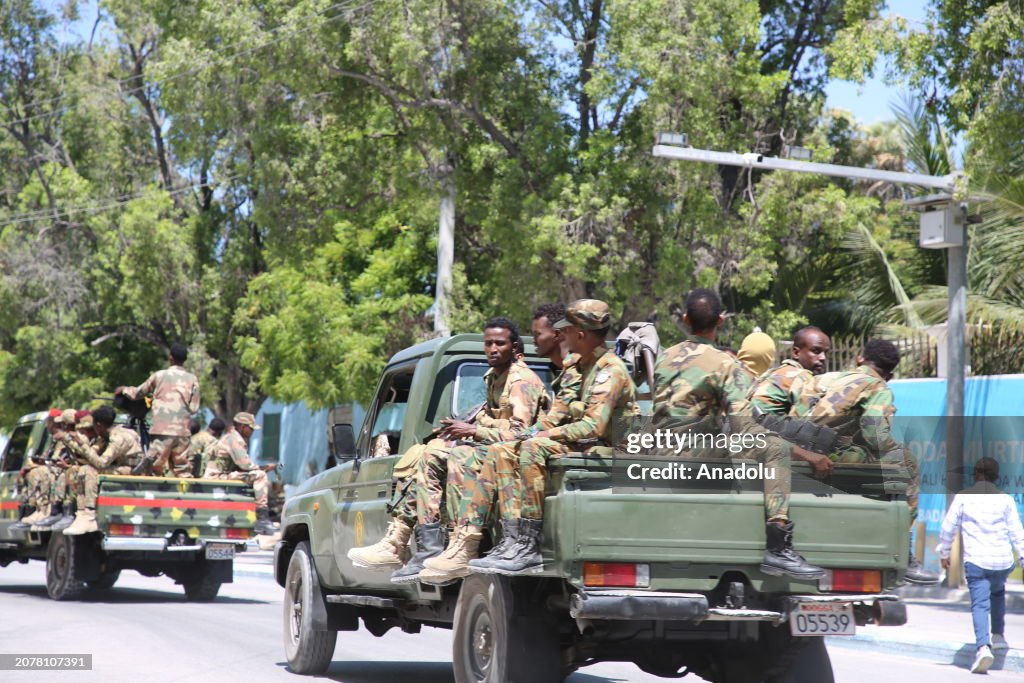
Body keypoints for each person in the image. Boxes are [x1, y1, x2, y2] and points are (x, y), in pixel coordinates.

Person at [420, 299, 635, 583]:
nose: (562, 336)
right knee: (502, 451)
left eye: (566, 331)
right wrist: (528, 434)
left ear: (580, 335)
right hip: (584, 445)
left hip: (612, 450)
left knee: (533, 449)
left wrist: (539, 437)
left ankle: (528, 542)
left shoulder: (609, 370)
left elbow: (591, 427)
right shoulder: (579, 367)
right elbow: (556, 416)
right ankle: (506, 540)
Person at [348, 317, 549, 583]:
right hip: (496, 448)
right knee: (427, 452)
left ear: (514, 348)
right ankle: (405, 543)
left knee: (460, 455)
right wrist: (466, 428)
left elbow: (521, 432)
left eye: (499, 343)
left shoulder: (521, 381)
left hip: (513, 455)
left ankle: (462, 545)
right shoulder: (494, 377)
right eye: (488, 343)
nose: (492, 348)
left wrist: (475, 430)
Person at [649, 289, 832, 580]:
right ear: (721, 320)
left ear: (685, 319)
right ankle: (779, 547)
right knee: (775, 449)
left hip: (656, 452)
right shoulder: (724, 364)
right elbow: (745, 427)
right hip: (692, 456)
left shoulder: (665, 357)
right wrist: (806, 454)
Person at [805, 339, 939, 585]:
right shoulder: (878, 387)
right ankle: (904, 551)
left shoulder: (831, 378)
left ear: (860, 360)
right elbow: (874, 435)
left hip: (798, 449)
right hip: (829, 453)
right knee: (906, 462)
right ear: (890, 375)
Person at [937, 458, 1024, 674]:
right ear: (996, 477)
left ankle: (983, 647)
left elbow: (948, 527)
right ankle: (998, 635)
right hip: (1002, 562)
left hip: (977, 561)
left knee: (980, 604)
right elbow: (1017, 533)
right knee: (997, 593)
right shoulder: (1006, 500)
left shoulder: (964, 497)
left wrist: (945, 553)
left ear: (975, 474)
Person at [118, 342, 200, 477]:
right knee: (182, 470)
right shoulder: (193, 379)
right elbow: (193, 408)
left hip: (161, 431)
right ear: (185, 359)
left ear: (171, 358)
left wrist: (124, 390)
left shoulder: (159, 376)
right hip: (183, 432)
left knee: (155, 467)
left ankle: (152, 495)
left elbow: (138, 393)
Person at [59, 406, 143, 535]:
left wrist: (82, 445)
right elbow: (93, 454)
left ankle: (89, 514)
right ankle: (81, 514)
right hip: (123, 467)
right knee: (79, 469)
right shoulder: (109, 434)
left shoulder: (119, 437)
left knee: (87, 470)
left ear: (99, 425)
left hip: (131, 471)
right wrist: (76, 443)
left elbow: (101, 463)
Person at [204, 412, 278, 536]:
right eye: (251, 428)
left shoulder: (233, 437)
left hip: (222, 474)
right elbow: (245, 465)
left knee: (258, 473)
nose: (252, 431)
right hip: (218, 476)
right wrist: (263, 468)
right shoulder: (234, 439)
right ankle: (262, 517)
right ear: (242, 427)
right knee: (260, 475)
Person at [749, 327, 830, 416]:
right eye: (816, 351)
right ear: (796, 353)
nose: (823, 357)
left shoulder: (776, 373)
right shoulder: (801, 377)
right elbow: (808, 417)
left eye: (825, 352)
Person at [11, 409, 63, 529]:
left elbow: (54, 461)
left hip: (57, 471)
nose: (47, 425)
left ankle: (43, 510)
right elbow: (47, 457)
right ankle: (30, 510)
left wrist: (37, 465)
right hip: (53, 468)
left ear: (52, 422)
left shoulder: (62, 439)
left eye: (49, 422)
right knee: (29, 472)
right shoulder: (54, 440)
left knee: (38, 472)